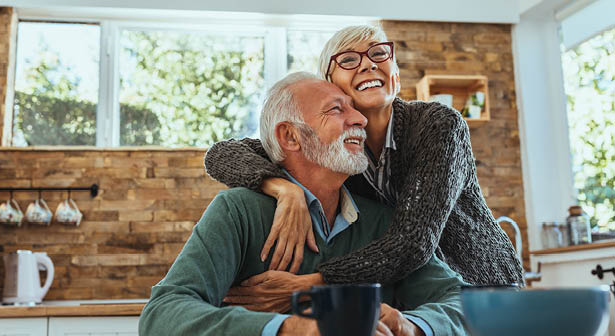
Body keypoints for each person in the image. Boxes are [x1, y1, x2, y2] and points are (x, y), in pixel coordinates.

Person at [139, 72, 470, 336]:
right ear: (290, 136)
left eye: (354, 109)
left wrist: (410, 324)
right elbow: (162, 315)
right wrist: (289, 333)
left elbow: (464, 302)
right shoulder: (238, 211)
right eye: (336, 110)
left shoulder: (383, 222)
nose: (360, 119)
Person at [204, 25, 523, 311]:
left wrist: (310, 283)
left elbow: (412, 243)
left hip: (482, 290)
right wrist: (283, 188)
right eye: (348, 60)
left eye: (379, 54)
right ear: (330, 84)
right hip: (407, 302)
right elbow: (222, 154)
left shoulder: (438, 125)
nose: (369, 63)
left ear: (395, 73)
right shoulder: (333, 149)